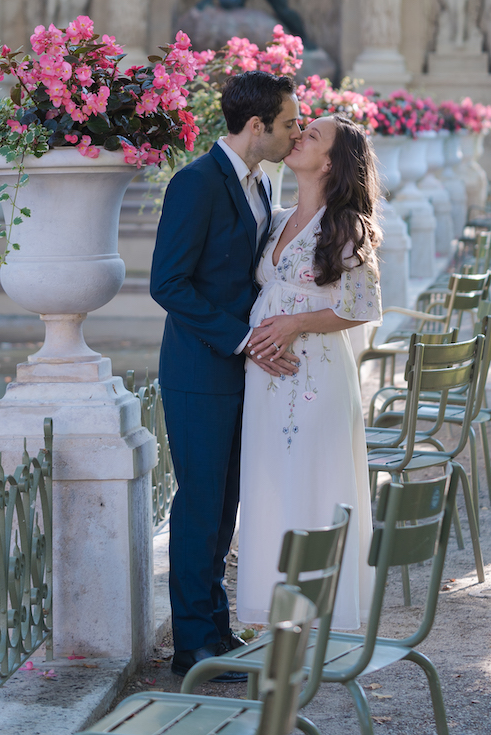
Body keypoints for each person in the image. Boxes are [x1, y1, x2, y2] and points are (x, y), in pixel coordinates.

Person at [150, 71, 303, 678]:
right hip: (197, 371)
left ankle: (215, 626)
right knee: (199, 505)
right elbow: (167, 283)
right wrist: (242, 339)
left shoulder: (261, 182)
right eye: (289, 123)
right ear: (257, 126)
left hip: (240, 373)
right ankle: (192, 644)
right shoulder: (196, 183)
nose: (295, 133)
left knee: (225, 506)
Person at [236, 114, 383, 629]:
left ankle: (324, 616)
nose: (298, 136)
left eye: (312, 135)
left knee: (314, 483)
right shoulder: (275, 219)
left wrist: (296, 322)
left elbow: (363, 306)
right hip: (264, 380)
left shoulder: (346, 225)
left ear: (329, 161)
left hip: (316, 377)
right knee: (270, 483)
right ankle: (274, 614)